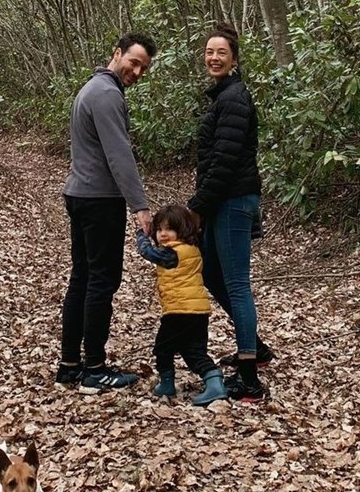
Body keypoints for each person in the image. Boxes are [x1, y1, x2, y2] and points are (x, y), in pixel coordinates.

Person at [56, 31, 157, 394]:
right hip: (99, 200)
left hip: (80, 194)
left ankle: (70, 364)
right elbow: (119, 155)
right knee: (102, 281)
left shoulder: (91, 89)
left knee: (83, 278)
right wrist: (140, 207)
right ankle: (94, 370)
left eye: (144, 68)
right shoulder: (107, 94)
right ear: (116, 54)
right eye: (134, 62)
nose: (138, 72)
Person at [188, 24, 273, 403]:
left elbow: (223, 161)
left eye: (221, 52)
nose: (214, 57)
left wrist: (196, 208)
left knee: (237, 284)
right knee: (209, 271)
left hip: (233, 201)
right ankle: (253, 345)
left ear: (234, 59)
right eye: (209, 51)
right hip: (223, 200)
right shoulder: (223, 96)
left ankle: (250, 378)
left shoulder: (235, 98)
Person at [135, 204, 228, 406]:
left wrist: (141, 235)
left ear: (182, 230)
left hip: (180, 311)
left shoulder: (173, 253)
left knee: (163, 348)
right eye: (159, 230)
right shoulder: (193, 249)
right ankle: (214, 381)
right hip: (198, 310)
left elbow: (148, 253)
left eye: (169, 229)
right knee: (193, 351)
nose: (163, 234)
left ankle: (167, 383)